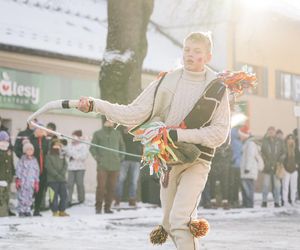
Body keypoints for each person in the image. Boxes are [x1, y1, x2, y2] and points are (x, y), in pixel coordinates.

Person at [78, 31, 230, 250]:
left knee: (179, 220)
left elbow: (219, 133)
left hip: (198, 161)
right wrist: (95, 105)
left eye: (196, 51)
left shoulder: (217, 87)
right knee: (169, 223)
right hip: (169, 161)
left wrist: (178, 134)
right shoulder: (166, 81)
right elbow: (132, 113)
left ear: (207, 56)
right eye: (186, 49)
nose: (189, 55)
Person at [90, 119, 125, 214]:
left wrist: (120, 158)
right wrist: (98, 158)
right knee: (101, 187)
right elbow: (92, 148)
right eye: (109, 120)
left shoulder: (117, 133)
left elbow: (122, 147)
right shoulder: (98, 133)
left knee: (111, 187)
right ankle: (98, 207)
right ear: (105, 121)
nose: (111, 122)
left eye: (112, 120)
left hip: (115, 166)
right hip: (102, 166)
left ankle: (107, 207)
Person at [115, 127, 142, 207]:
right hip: (125, 159)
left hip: (136, 160)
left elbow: (143, 144)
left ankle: (132, 199)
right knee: (120, 179)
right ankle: (117, 199)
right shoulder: (122, 130)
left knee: (134, 181)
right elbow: (118, 141)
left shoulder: (139, 132)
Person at [239, 125, 264, 208]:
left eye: (241, 135)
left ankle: (249, 204)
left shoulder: (250, 144)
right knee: (246, 188)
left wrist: (247, 168)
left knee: (248, 188)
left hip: (249, 170)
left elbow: (250, 156)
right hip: (248, 170)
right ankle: (246, 203)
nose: (240, 137)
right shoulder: (248, 143)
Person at [261, 126, 285, 207]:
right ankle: (264, 202)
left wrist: (279, 161)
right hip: (267, 166)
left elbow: (284, 153)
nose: (271, 132)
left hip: (277, 166)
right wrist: (265, 161)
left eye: (272, 131)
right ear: (267, 132)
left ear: (275, 132)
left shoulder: (280, 141)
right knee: (265, 185)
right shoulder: (265, 141)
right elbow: (262, 153)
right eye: (269, 131)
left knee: (277, 186)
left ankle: (277, 202)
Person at [15, 141, 40, 217]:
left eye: (31, 150)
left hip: (31, 182)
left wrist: (36, 181)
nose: (30, 151)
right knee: (22, 196)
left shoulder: (34, 160)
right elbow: (18, 169)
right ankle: (21, 210)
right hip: (23, 181)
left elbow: (37, 171)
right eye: (28, 150)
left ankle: (27, 210)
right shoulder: (22, 160)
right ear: (25, 151)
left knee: (30, 197)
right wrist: (18, 179)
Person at [29, 124, 49, 216]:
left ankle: (37, 210)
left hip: (43, 170)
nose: (40, 131)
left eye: (42, 129)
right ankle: (27, 208)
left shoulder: (46, 141)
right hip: (32, 169)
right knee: (31, 190)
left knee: (40, 190)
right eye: (38, 129)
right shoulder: (31, 139)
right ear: (35, 130)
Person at [65, 130, 89, 205]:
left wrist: (74, 156)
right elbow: (67, 153)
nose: (73, 138)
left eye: (74, 136)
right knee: (69, 184)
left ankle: (81, 199)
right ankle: (68, 199)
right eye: (72, 136)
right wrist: (71, 155)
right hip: (71, 168)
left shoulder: (83, 145)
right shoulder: (69, 145)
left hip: (80, 168)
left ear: (79, 137)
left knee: (79, 183)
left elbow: (84, 156)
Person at [46, 139, 69, 216]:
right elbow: (49, 167)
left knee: (64, 195)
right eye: (55, 145)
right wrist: (57, 175)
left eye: (59, 145)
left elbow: (65, 165)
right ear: (52, 146)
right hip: (52, 180)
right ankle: (54, 211)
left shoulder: (62, 155)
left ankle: (62, 211)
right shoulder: (48, 155)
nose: (57, 147)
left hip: (62, 179)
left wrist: (62, 174)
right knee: (53, 196)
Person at [0, 131, 14, 217]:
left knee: (7, 195)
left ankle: (6, 210)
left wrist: (12, 174)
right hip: (1, 178)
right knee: (1, 196)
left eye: (6, 141)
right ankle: (2, 212)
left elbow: (11, 164)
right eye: (3, 140)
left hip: (8, 178)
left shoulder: (9, 151)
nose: (5, 142)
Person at [282, 134, 298, 206]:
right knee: (285, 186)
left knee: (294, 186)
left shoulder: (296, 148)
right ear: (287, 140)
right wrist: (285, 166)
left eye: (292, 138)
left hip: (294, 170)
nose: (290, 140)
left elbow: (298, 158)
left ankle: (293, 201)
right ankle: (285, 201)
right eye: (289, 138)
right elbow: (282, 158)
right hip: (286, 170)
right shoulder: (284, 148)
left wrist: (297, 165)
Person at [229, 127, 243, 208]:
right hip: (233, 165)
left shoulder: (238, 141)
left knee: (235, 184)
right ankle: (233, 201)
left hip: (237, 165)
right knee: (233, 184)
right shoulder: (234, 140)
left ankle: (235, 201)